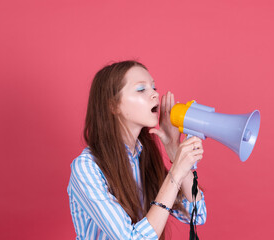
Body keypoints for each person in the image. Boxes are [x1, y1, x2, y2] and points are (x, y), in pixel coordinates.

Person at [67, 60, 207, 240]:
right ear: (113, 106)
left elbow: (197, 214)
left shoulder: (143, 158)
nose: (155, 94)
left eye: (154, 87)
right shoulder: (87, 168)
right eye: (141, 89)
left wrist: (174, 150)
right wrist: (176, 171)